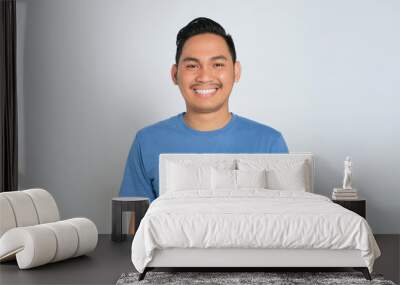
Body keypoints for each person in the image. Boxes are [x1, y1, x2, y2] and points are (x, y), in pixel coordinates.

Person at [119, 17, 289, 202]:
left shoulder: (270, 144)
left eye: (217, 65)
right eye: (192, 65)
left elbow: (289, 224)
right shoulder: (146, 142)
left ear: (236, 71)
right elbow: (132, 228)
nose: (205, 76)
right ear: (175, 74)